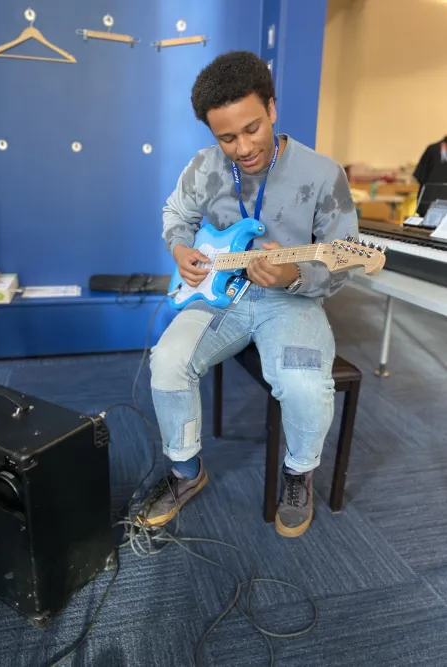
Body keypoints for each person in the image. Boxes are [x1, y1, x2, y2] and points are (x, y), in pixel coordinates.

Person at [139, 51, 358, 538]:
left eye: (253, 129)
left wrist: (292, 276)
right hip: (221, 294)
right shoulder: (203, 167)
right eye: (227, 137)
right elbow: (176, 213)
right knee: (168, 360)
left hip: (291, 299)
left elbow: (344, 263)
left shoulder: (324, 175)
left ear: (273, 109)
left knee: (303, 385)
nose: (242, 147)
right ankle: (185, 472)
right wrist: (179, 247)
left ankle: (298, 472)